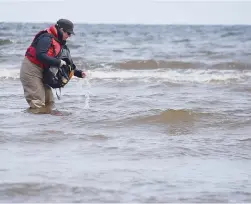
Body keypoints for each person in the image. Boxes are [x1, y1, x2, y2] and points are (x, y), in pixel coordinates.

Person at [20, 19, 86, 114]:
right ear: (61, 30)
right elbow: (40, 55)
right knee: (37, 102)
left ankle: (47, 126)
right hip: (31, 69)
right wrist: (58, 62)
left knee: (49, 102)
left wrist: (78, 73)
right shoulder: (46, 38)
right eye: (68, 33)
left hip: (43, 71)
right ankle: (34, 127)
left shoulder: (59, 42)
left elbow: (66, 65)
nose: (69, 36)